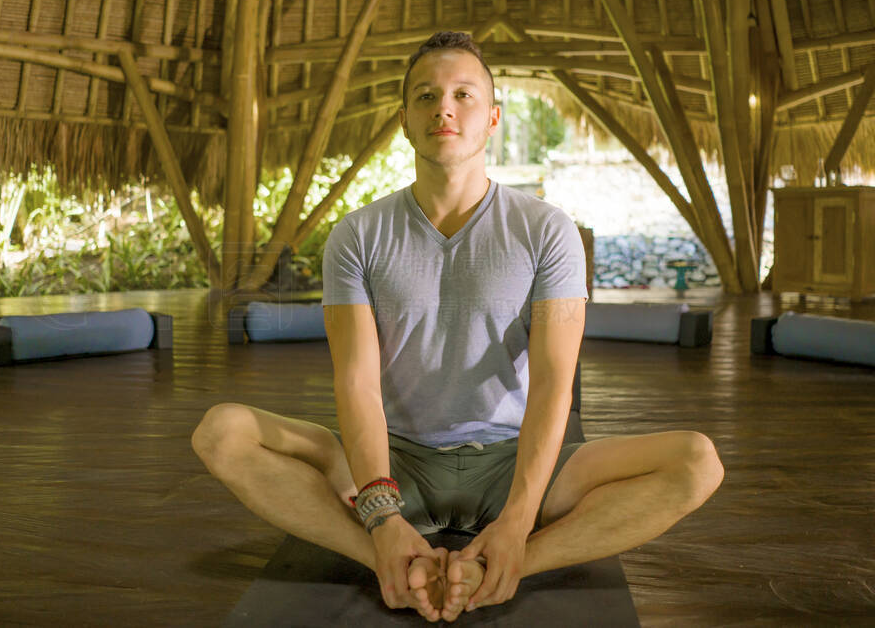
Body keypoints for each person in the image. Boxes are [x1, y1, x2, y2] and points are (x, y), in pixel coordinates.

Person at [192, 31, 724, 622]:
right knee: (223, 432)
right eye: (425, 95)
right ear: (404, 120)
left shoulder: (548, 231)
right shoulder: (358, 237)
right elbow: (358, 385)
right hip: (396, 460)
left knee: (697, 461)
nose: (444, 107)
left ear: (491, 117)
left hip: (510, 458)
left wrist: (519, 522)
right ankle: (386, 557)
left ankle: (511, 559)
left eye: (463, 94)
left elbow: (553, 384)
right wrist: (384, 517)